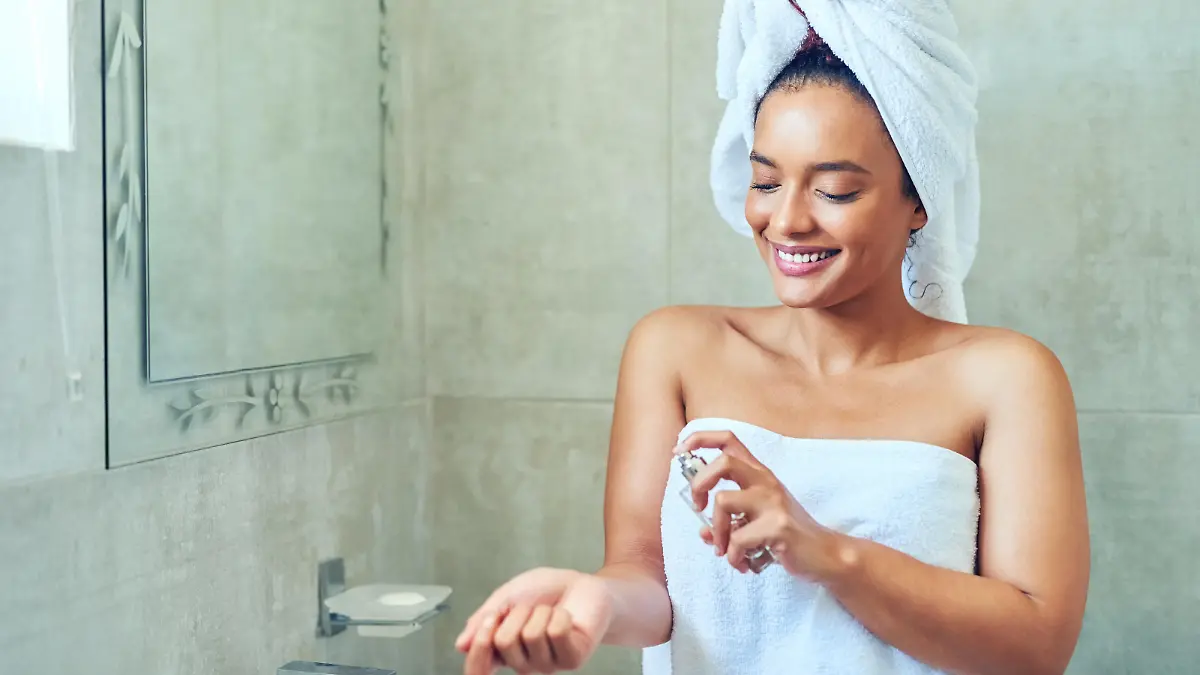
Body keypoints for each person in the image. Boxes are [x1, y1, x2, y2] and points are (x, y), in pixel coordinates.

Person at [455, 13, 1090, 675]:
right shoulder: (675, 349)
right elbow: (649, 584)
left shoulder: (1006, 377)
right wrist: (593, 603)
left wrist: (824, 553)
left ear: (919, 198)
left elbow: (1037, 646)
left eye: (835, 189)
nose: (786, 220)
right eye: (765, 181)